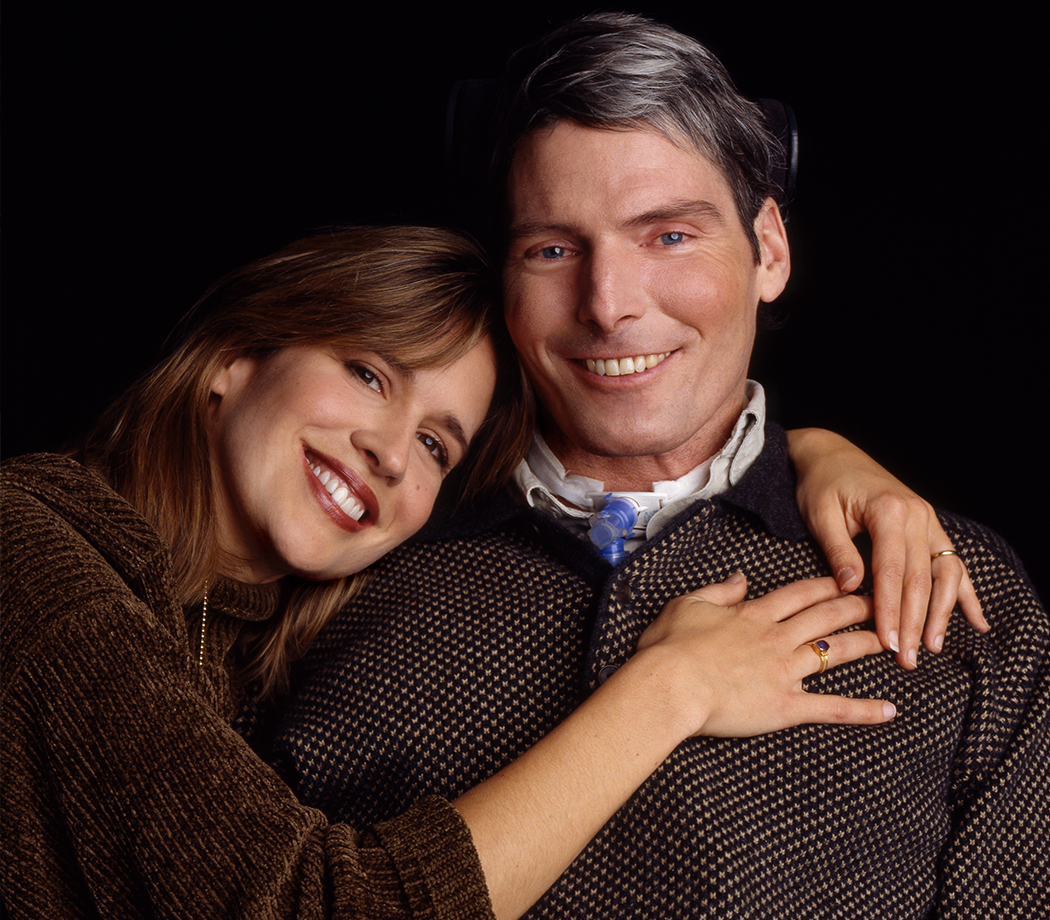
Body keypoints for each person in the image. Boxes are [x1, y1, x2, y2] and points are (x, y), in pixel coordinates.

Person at [244, 14, 1049, 920]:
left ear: (769, 252)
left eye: (668, 236)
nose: (608, 304)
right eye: (552, 248)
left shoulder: (949, 586)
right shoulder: (344, 544)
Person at [0, 224, 947, 919]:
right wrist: (674, 685)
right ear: (235, 360)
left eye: (434, 444)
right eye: (369, 373)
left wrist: (806, 458)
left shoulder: (244, 632)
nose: (386, 455)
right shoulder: (36, 561)